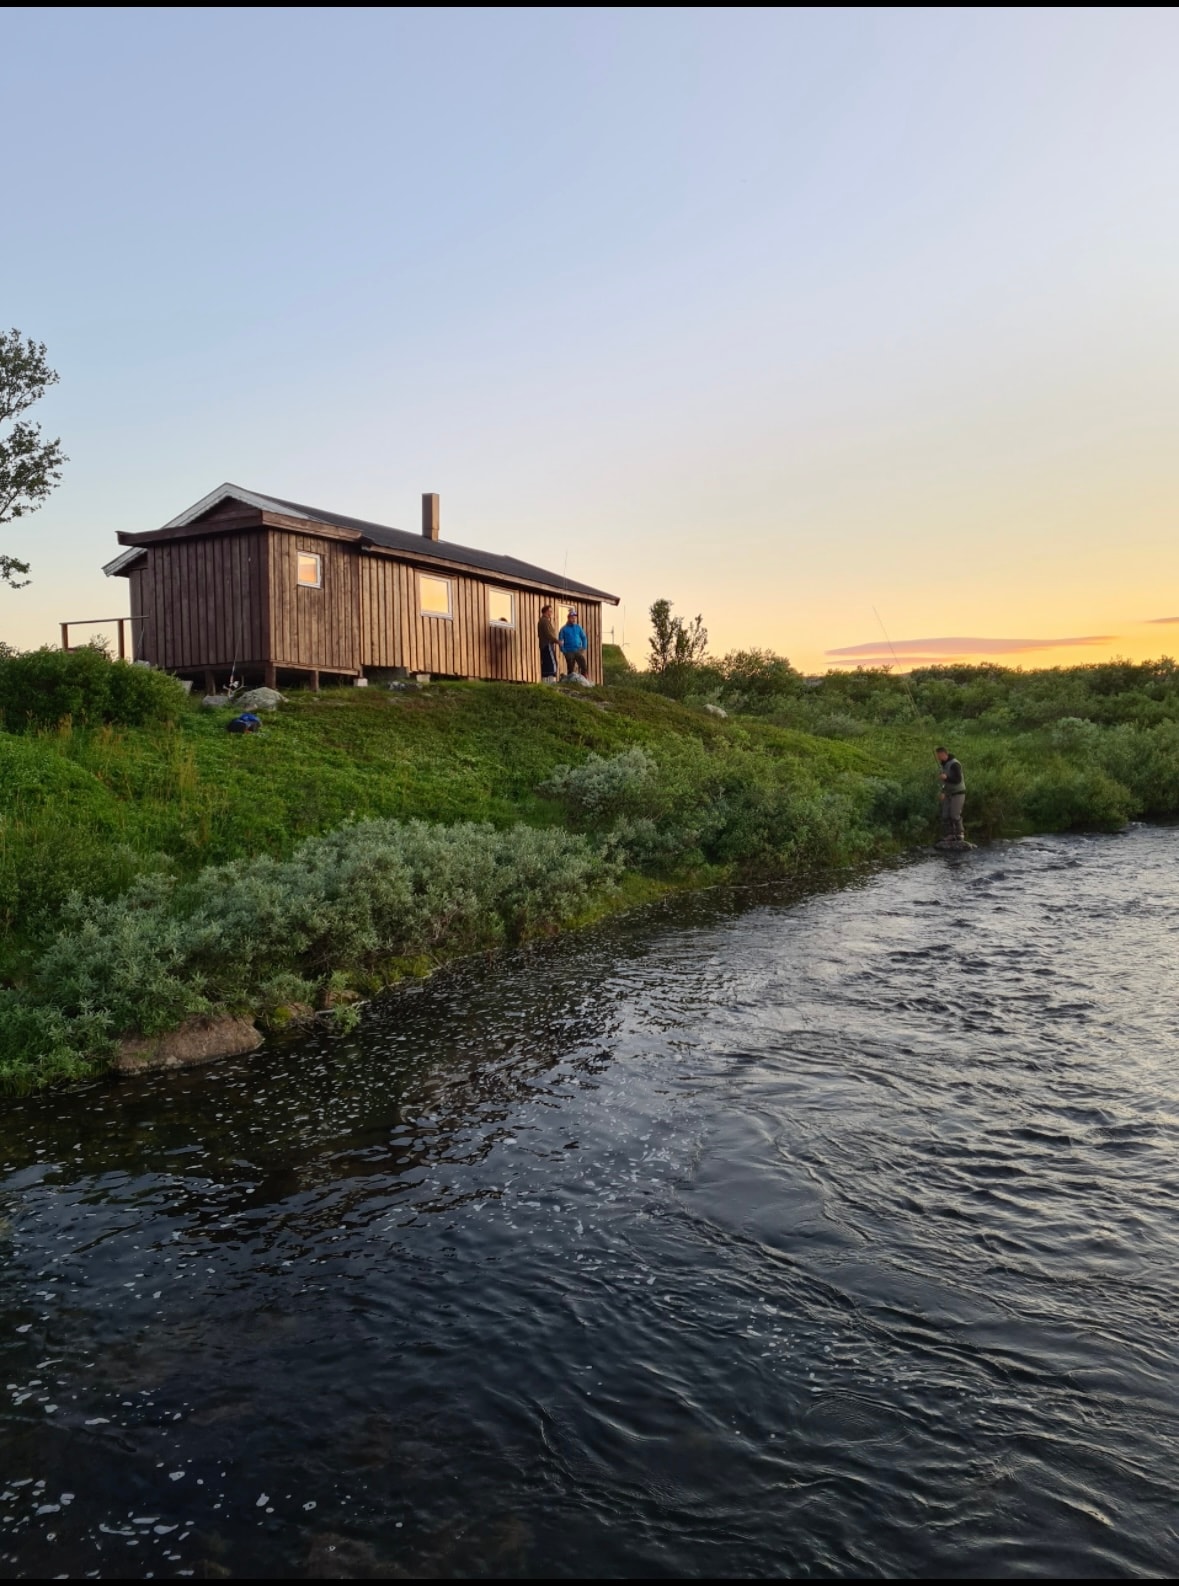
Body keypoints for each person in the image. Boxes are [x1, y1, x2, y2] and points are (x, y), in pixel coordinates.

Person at [935, 747, 966, 841]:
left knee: (954, 815)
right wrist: (942, 792)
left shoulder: (955, 764)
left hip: (958, 793)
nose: (938, 758)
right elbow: (945, 783)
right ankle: (950, 834)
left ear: (944, 754)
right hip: (948, 793)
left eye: (939, 755)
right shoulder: (944, 765)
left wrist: (946, 778)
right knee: (945, 815)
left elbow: (957, 780)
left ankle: (960, 833)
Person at [558, 608, 589, 677]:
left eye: (575, 618)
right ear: (568, 618)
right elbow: (560, 640)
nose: (574, 619)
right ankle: (570, 680)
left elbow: (583, 637)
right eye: (572, 618)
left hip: (578, 650)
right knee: (571, 667)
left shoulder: (578, 627)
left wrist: (584, 647)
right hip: (569, 651)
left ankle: (584, 678)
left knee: (583, 663)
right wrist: (564, 650)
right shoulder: (563, 629)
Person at [537, 603, 559, 682]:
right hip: (547, 644)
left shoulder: (541, 621)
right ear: (546, 612)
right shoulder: (544, 621)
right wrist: (557, 641)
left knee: (546, 663)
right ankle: (551, 683)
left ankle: (545, 683)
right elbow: (548, 634)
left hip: (543, 645)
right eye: (550, 611)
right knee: (552, 664)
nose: (551, 613)